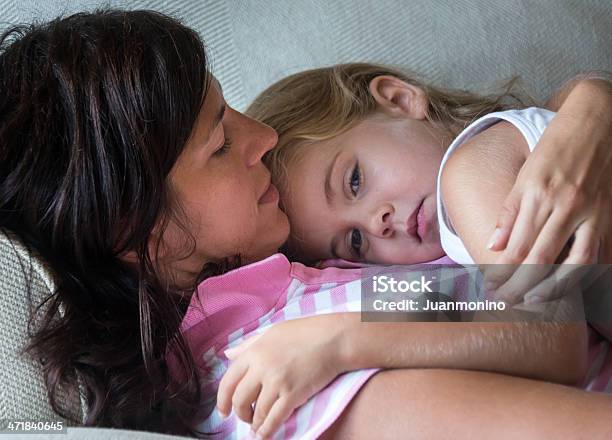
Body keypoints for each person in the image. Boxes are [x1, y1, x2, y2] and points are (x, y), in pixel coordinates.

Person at [1, 9, 611, 440]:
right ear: (139, 233)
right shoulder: (266, 371)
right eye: (220, 145)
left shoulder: (302, 280)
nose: (263, 138)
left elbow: (516, 297)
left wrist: (587, 104)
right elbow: (545, 326)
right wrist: (344, 338)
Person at [247, 63, 612, 303]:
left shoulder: (466, 176)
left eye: (354, 181)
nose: (378, 222)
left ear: (399, 99)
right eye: (355, 241)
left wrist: (345, 341)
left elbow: (545, 329)